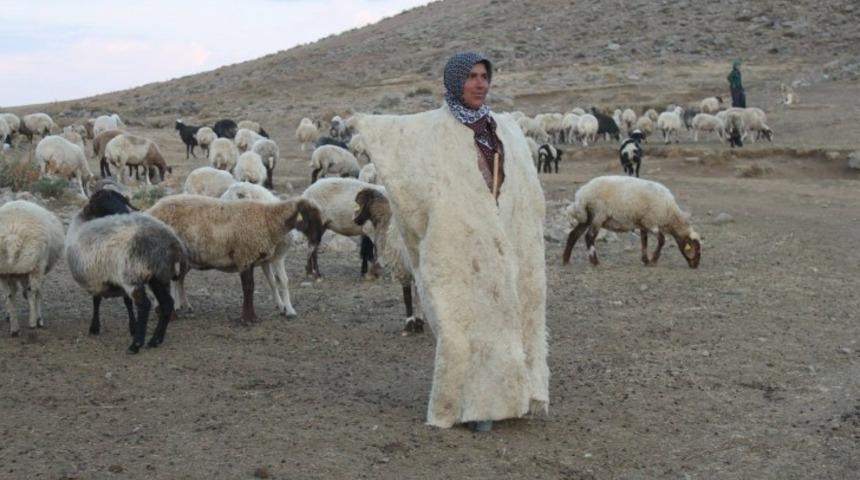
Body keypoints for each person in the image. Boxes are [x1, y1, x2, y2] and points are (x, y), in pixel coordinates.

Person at [355, 53, 550, 431]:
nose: (480, 84)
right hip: (457, 239)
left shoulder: (503, 129)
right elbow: (408, 172)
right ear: (455, 81)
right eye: (471, 76)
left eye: (485, 76)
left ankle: (507, 397)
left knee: (506, 315)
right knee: (462, 324)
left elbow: (524, 187)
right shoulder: (434, 130)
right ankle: (470, 404)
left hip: (504, 235)